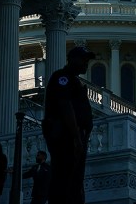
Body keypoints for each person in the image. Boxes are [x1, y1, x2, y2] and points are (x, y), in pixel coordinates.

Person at [43, 46, 96, 204]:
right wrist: (76, 138)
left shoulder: (74, 81)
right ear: (72, 59)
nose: (86, 63)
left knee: (75, 180)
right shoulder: (62, 77)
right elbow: (66, 107)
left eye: (87, 60)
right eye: (83, 59)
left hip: (75, 137)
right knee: (63, 178)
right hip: (65, 137)